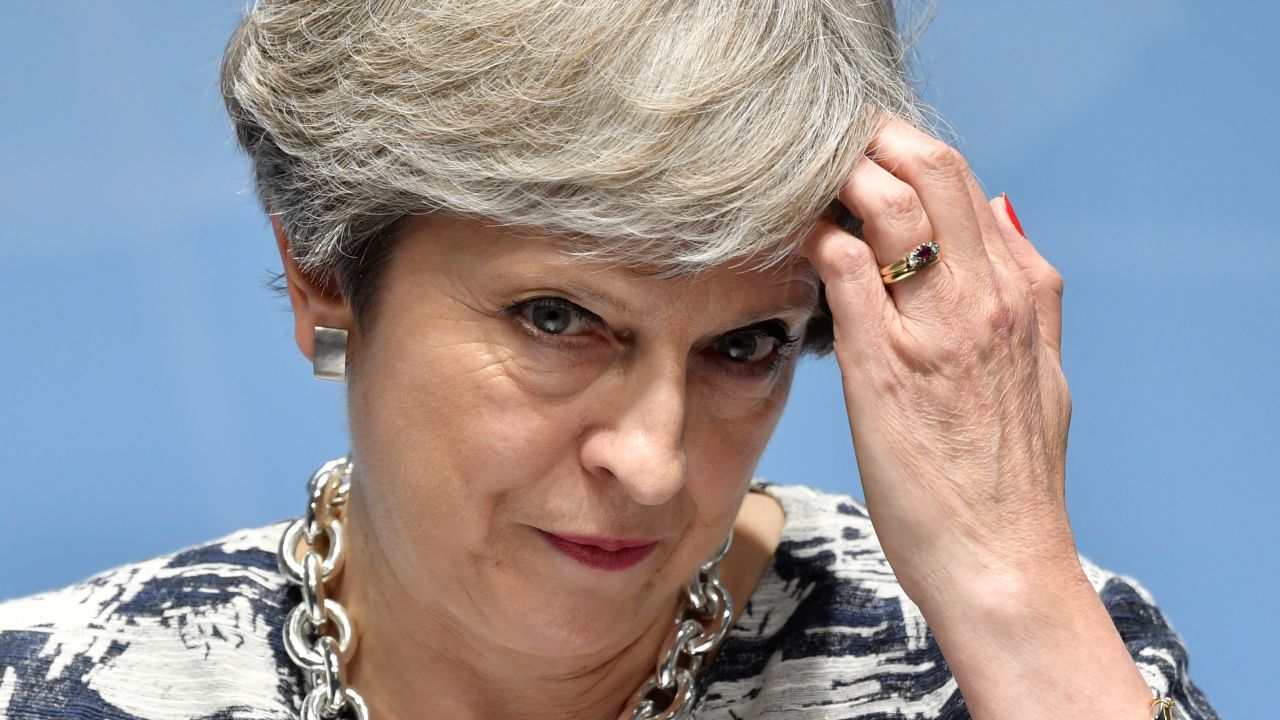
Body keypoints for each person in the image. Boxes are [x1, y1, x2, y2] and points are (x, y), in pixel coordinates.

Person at [0, 2, 1220, 719]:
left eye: (745, 346)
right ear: (325, 270)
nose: (650, 463)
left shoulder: (1024, 665)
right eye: (555, 318)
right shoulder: (53, 687)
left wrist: (1010, 596)